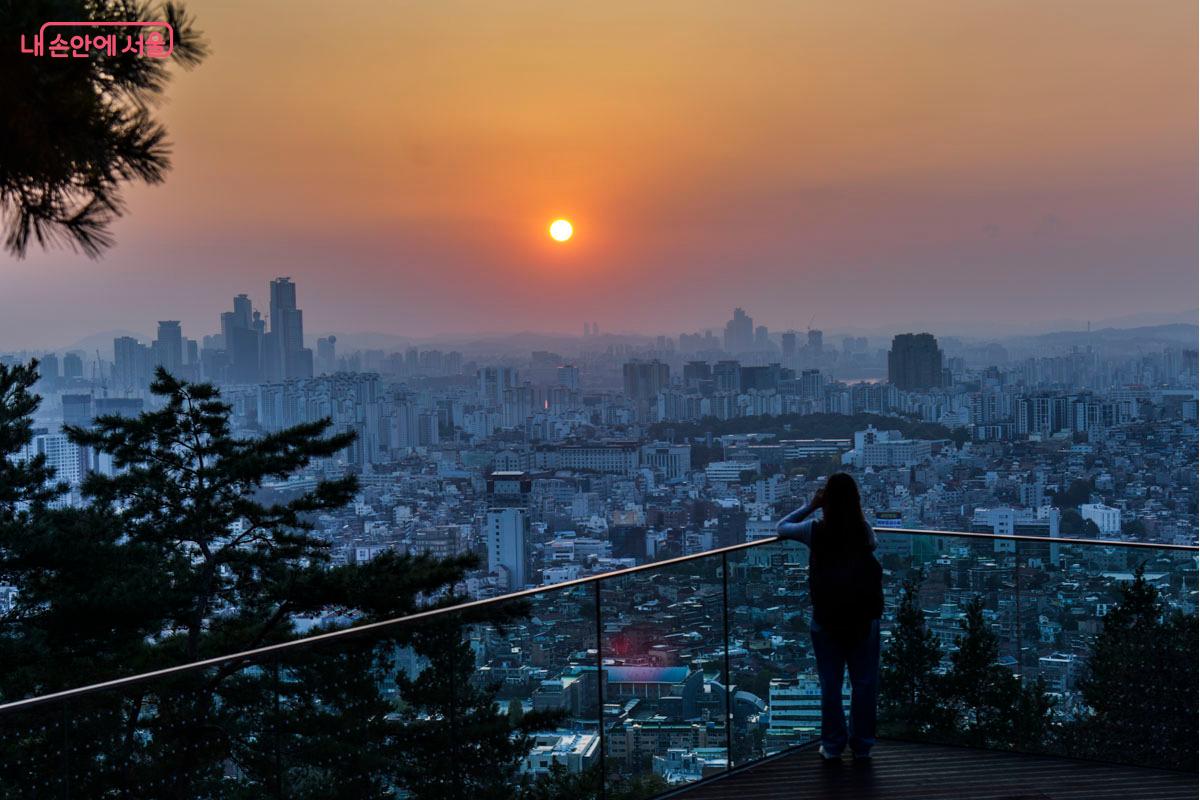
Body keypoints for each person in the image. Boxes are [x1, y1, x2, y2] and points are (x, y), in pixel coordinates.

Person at [777, 472, 883, 761]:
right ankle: (862, 745)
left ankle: (833, 745)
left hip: (827, 618)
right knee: (864, 683)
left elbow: (782, 526)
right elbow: (872, 547)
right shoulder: (863, 530)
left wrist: (811, 505)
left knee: (831, 684)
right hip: (863, 617)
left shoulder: (815, 530)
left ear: (827, 500)